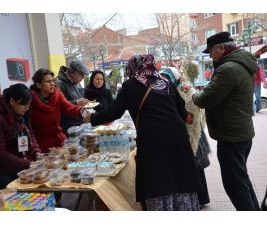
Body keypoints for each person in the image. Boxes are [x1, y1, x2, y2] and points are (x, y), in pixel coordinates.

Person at [83, 54, 203, 211]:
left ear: (133, 67)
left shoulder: (130, 86)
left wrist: (91, 118)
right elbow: (183, 112)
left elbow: (114, 113)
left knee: (158, 180)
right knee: (180, 178)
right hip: (178, 137)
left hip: (153, 139)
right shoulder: (166, 83)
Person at [192, 32, 260, 211]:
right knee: (241, 181)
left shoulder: (228, 69)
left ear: (221, 48)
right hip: (240, 133)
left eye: (211, 51)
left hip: (232, 137)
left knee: (235, 186)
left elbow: (205, 99)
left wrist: (193, 94)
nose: (210, 56)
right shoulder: (241, 64)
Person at [160, 67, 211, 207]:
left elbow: (193, 110)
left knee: (197, 166)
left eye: (167, 77)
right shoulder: (165, 91)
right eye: (162, 77)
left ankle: (202, 198)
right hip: (179, 133)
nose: (165, 80)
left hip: (193, 132)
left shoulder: (186, 90)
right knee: (189, 167)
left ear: (174, 78)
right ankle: (195, 198)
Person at [0, 84, 41, 190]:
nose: (27, 108)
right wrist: (27, 163)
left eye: (29, 104)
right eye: (24, 104)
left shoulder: (22, 113)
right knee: (13, 197)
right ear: (12, 101)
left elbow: (30, 135)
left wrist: (36, 152)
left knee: (27, 194)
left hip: (13, 164)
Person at [30, 68, 84, 153]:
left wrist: (81, 111)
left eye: (52, 81)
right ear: (39, 84)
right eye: (48, 82)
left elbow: (69, 107)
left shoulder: (57, 95)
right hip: (41, 145)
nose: (52, 84)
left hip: (59, 141)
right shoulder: (31, 100)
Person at [56, 61, 90, 133]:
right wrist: (77, 102)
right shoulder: (59, 84)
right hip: (67, 127)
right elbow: (58, 104)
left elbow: (81, 97)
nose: (83, 78)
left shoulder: (76, 82)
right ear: (72, 72)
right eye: (81, 75)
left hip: (79, 123)